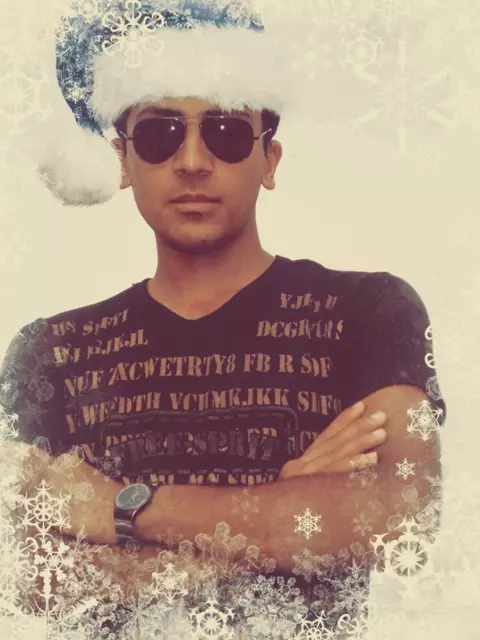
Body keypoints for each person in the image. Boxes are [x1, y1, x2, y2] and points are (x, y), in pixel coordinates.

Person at [0, 1, 446, 637]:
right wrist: (278, 509)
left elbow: (402, 515)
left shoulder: (366, 311)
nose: (191, 160)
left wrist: (121, 509)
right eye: (160, 134)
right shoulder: (50, 352)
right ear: (122, 161)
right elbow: (25, 578)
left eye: (227, 132)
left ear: (270, 161)